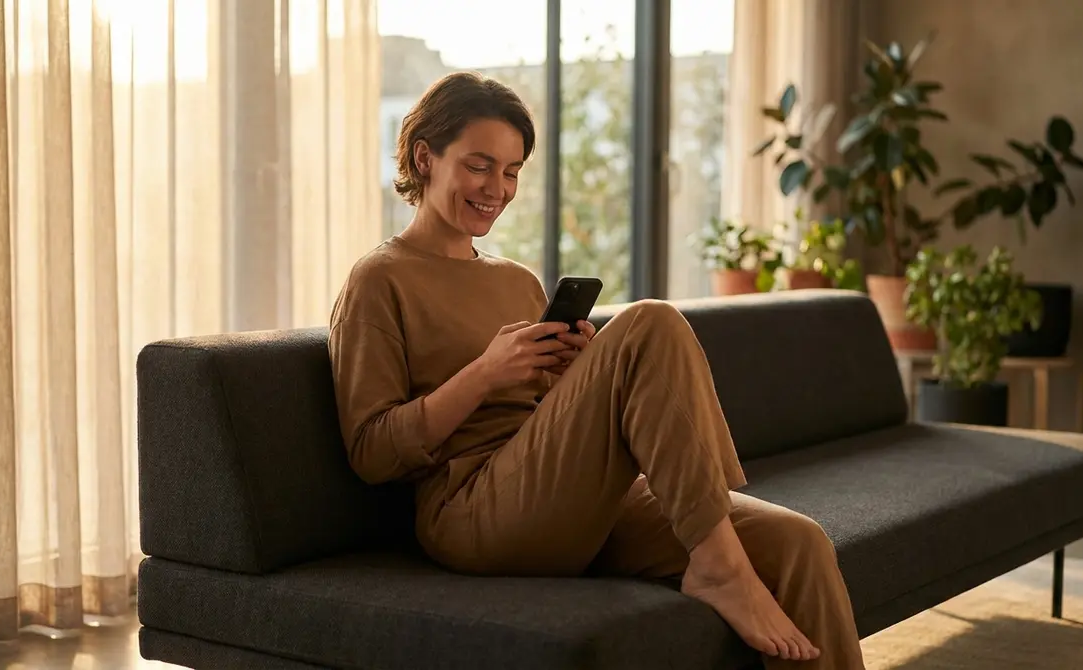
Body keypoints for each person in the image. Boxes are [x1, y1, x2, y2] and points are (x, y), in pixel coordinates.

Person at [328, 71, 866, 669]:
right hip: (472, 511)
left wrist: (577, 376)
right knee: (649, 321)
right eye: (479, 166)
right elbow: (371, 451)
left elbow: (542, 419)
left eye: (511, 172)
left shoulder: (516, 280)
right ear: (425, 158)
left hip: (565, 499)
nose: (497, 188)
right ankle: (717, 569)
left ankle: (722, 563)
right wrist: (484, 373)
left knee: (799, 544)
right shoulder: (379, 279)